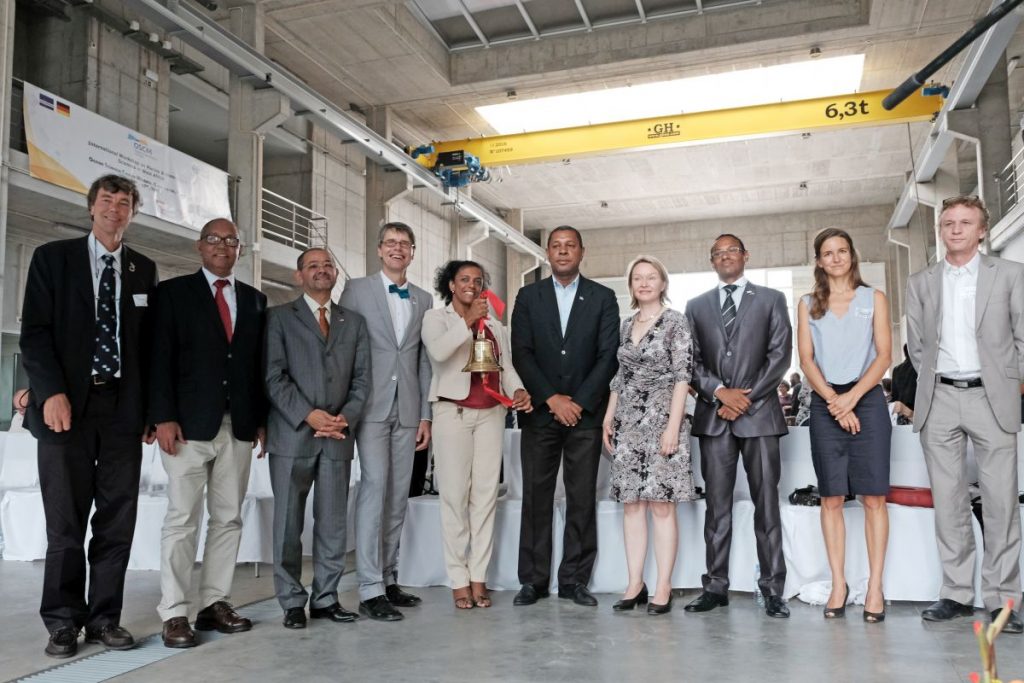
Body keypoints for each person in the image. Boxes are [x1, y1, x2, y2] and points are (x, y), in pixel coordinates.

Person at [20, 175, 158, 657]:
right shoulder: (52, 260)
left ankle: (104, 618)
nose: (115, 210)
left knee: (117, 522)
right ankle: (62, 621)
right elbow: (34, 335)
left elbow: (147, 349)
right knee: (65, 521)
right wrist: (50, 392)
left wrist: (149, 411)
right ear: (90, 207)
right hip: (65, 411)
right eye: (107, 201)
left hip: (122, 410)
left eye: (125, 204)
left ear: (133, 213)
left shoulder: (143, 269)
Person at [906, 195, 1024, 633]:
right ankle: (956, 593)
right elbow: (917, 348)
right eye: (949, 222)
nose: (955, 229)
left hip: (991, 397)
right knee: (949, 502)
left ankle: (1003, 599)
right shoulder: (921, 282)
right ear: (941, 229)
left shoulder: (1011, 275)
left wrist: (1009, 381)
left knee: (1000, 503)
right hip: (939, 399)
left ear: (982, 230)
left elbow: (1022, 338)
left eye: (965, 222)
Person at [148, 218, 268, 648]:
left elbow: (255, 367)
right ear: (200, 247)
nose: (223, 247)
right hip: (186, 428)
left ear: (241, 250)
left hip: (236, 428)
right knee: (182, 519)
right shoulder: (173, 294)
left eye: (231, 241)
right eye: (214, 240)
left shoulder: (255, 301)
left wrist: (260, 421)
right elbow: (158, 358)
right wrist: (161, 415)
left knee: (228, 518)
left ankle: (215, 603)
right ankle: (175, 613)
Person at [683, 233, 792, 619]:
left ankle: (773, 589)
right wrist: (718, 393)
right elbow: (691, 362)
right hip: (715, 419)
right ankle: (715, 587)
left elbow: (780, 356)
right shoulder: (695, 306)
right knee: (717, 508)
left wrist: (744, 398)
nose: (725, 256)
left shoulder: (772, 299)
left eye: (732, 250)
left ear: (745, 256)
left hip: (759, 417)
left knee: (767, 506)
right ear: (711, 261)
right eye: (718, 253)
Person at [510, 225, 619, 607]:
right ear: (547, 253)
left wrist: (580, 401)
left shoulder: (603, 297)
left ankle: (575, 579)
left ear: (581, 252)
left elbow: (609, 355)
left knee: (581, 498)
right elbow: (521, 352)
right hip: (541, 415)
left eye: (569, 245)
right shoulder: (528, 296)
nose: (562, 251)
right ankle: (533, 581)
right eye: (555, 246)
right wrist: (551, 398)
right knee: (536, 498)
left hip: (586, 416)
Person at [264, 247, 369, 629]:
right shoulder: (278, 318)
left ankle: (326, 598)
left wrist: (345, 417)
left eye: (328, 265)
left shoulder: (353, 322)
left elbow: (362, 379)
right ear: (299, 276)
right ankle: (292, 601)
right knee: (288, 523)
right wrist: (308, 415)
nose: (322, 271)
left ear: (335, 275)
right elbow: (273, 376)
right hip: (293, 434)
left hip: (338, 435)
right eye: (313, 266)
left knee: (333, 523)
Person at [421, 260, 532, 609]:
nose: (471, 284)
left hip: (491, 414)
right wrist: (468, 322)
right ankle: (458, 579)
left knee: (485, 497)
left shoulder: (496, 326)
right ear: (451, 285)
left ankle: (478, 576)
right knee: (454, 497)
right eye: (464, 279)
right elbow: (438, 354)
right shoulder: (436, 319)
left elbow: (506, 366)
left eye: (477, 280)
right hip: (451, 412)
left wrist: (517, 391)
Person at [796, 228, 892, 623]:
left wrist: (852, 399)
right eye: (827, 253)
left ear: (852, 255)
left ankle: (874, 587)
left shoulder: (875, 298)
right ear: (819, 261)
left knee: (873, 498)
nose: (836, 258)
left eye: (842, 251)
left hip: (866, 400)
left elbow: (884, 355)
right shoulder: (806, 304)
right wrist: (836, 402)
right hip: (826, 402)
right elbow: (806, 360)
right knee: (832, 498)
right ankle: (839, 583)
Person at [340, 222, 432, 621]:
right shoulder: (357, 290)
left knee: (397, 495)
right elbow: (344, 349)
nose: (397, 250)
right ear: (379, 250)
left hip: (408, 409)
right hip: (370, 406)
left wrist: (425, 413)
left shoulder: (424, 298)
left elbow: (422, 359)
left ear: (412, 253)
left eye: (404, 245)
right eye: (390, 243)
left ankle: (389, 576)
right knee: (374, 489)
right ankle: (368, 587)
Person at [602, 255, 696, 615]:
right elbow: (620, 376)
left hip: (662, 420)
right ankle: (634, 582)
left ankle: (663, 586)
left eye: (651, 277)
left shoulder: (675, 322)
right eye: (637, 278)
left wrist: (673, 427)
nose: (643, 283)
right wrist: (609, 417)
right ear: (631, 286)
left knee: (661, 506)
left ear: (662, 283)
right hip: (627, 422)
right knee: (632, 506)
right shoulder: (626, 326)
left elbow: (683, 375)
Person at [890, 345, 917, 425]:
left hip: (901, 412)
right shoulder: (919, 367)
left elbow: (894, 395)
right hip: (914, 412)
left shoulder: (896, 369)